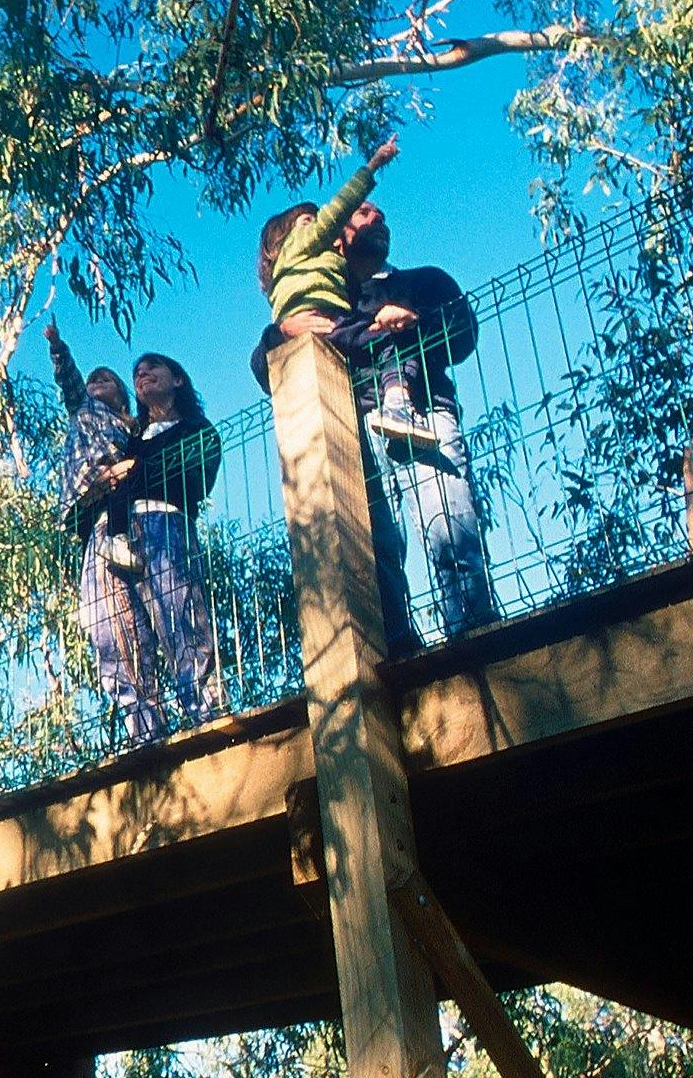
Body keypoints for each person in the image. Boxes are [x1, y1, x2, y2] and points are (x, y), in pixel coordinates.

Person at [251, 203, 497, 648]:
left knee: (448, 527)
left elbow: (463, 334)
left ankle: (474, 640)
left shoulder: (423, 281)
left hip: (424, 415)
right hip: (353, 437)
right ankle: (400, 651)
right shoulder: (329, 300)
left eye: (381, 214)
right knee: (375, 550)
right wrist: (281, 332)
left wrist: (413, 321)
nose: (377, 216)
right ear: (337, 234)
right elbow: (264, 369)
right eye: (362, 212)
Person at [47, 324, 166, 744]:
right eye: (93, 378)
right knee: (107, 630)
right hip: (94, 511)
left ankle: (159, 719)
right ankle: (140, 726)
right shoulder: (83, 411)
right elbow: (70, 381)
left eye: (107, 379)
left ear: (121, 394)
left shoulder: (132, 427)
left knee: (140, 626)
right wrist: (58, 347)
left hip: (128, 516)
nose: (97, 383)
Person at [125, 351, 227, 727]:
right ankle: (145, 728)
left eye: (153, 367)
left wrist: (136, 474)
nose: (143, 373)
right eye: (137, 372)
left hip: (169, 525)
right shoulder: (130, 440)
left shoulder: (197, 430)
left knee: (181, 618)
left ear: (178, 380)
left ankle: (206, 712)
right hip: (124, 537)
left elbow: (194, 481)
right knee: (133, 633)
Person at [257, 136, 403, 333]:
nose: (319, 227)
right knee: (374, 335)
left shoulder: (402, 281)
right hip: (331, 322)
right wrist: (372, 166)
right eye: (308, 221)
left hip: (324, 332)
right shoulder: (301, 242)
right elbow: (338, 209)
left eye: (381, 217)